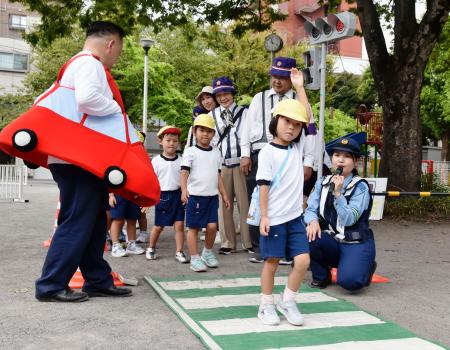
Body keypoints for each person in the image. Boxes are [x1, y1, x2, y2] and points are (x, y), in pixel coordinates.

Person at [35, 21, 132, 302]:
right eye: (119, 51)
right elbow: (88, 99)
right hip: (78, 159)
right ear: (111, 44)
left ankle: (97, 279)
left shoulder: (75, 65)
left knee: (91, 221)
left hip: (76, 158)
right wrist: (117, 112)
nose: (117, 58)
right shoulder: (90, 64)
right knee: (78, 220)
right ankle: (51, 285)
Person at [240, 56, 316, 264]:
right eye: (275, 76)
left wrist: (308, 161)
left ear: (290, 80)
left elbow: (310, 126)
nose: (277, 81)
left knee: (287, 199)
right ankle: (261, 247)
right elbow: (247, 127)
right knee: (257, 199)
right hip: (260, 152)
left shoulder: (298, 100)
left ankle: (286, 248)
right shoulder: (259, 97)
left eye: (283, 77)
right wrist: (245, 154)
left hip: (290, 157)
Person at [256, 93, 310, 326]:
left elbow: (308, 117)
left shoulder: (297, 149)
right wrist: (265, 216)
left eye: (296, 125)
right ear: (275, 121)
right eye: (287, 121)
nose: (292, 128)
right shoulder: (267, 151)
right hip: (275, 218)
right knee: (272, 262)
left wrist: (300, 87)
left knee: (303, 261)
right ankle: (266, 305)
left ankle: (287, 301)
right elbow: (263, 186)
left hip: (295, 218)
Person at [304, 137, 377, 291]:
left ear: (355, 162)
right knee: (309, 234)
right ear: (332, 159)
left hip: (355, 242)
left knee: (350, 283)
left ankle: (366, 265)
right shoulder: (322, 182)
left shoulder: (360, 187)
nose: (341, 160)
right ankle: (322, 276)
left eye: (347, 156)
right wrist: (313, 221)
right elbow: (310, 209)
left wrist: (338, 194)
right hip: (333, 240)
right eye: (337, 155)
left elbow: (349, 219)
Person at [180, 114, 230, 272]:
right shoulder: (190, 152)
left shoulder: (216, 152)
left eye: (209, 130)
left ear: (213, 133)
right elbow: (184, 173)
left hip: (212, 196)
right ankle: (194, 258)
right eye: (201, 130)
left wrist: (224, 194)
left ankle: (207, 253)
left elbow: (218, 175)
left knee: (212, 226)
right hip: (195, 196)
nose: (205, 133)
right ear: (195, 131)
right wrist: (183, 190)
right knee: (193, 228)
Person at [210, 77, 252, 255]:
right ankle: (227, 242)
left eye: (226, 93)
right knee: (224, 204)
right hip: (222, 165)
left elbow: (247, 136)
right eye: (218, 95)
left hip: (241, 162)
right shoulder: (211, 115)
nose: (222, 98)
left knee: (246, 204)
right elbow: (211, 141)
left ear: (232, 94)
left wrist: (246, 156)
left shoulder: (245, 112)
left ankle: (248, 241)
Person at [146, 126, 188, 263]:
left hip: (178, 195)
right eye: (168, 140)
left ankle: (179, 251)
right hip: (163, 196)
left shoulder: (182, 160)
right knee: (159, 226)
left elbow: (186, 178)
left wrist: (185, 192)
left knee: (180, 225)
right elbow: (151, 181)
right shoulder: (156, 161)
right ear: (161, 142)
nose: (171, 143)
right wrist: (148, 200)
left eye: (175, 141)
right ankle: (151, 248)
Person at [109, 193, 146, 257]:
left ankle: (131, 245)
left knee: (132, 219)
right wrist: (111, 195)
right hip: (118, 192)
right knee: (118, 219)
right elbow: (111, 182)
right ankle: (115, 247)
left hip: (134, 194)